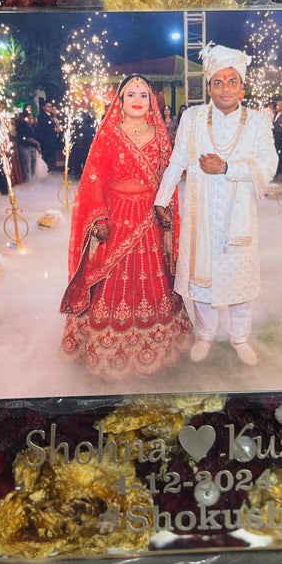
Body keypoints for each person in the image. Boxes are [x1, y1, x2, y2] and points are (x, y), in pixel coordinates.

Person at [154, 43, 278, 367]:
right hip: (200, 217)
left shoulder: (258, 122)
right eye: (218, 82)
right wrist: (161, 199)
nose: (225, 88)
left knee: (241, 283)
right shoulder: (193, 118)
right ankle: (205, 334)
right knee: (200, 283)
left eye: (232, 81)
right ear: (208, 86)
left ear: (242, 86)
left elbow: (269, 164)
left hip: (239, 219)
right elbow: (176, 162)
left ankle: (239, 338)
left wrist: (226, 168)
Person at [60, 74, 191, 379]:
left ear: (152, 102)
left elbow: (168, 182)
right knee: (108, 277)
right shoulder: (109, 135)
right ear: (119, 101)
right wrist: (101, 217)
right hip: (117, 217)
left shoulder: (161, 137)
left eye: (143, 95)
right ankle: (105, 349)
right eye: (130, 94)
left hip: (151, 219)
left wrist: (167, 210)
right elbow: (94, 178)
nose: (137, 99)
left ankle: (159, 347)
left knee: (156, 279)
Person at [15, 106, 42, 184]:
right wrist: (37, 143)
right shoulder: (22, 126)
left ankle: (33, 183)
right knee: (27, 168)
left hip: (33, 148)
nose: (31, 120)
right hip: (25, 147)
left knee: (33, 167)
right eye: (29, 118)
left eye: (32, 118)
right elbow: (26, 137)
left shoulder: (34, 127)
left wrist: (37, 145)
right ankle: (28, 184)